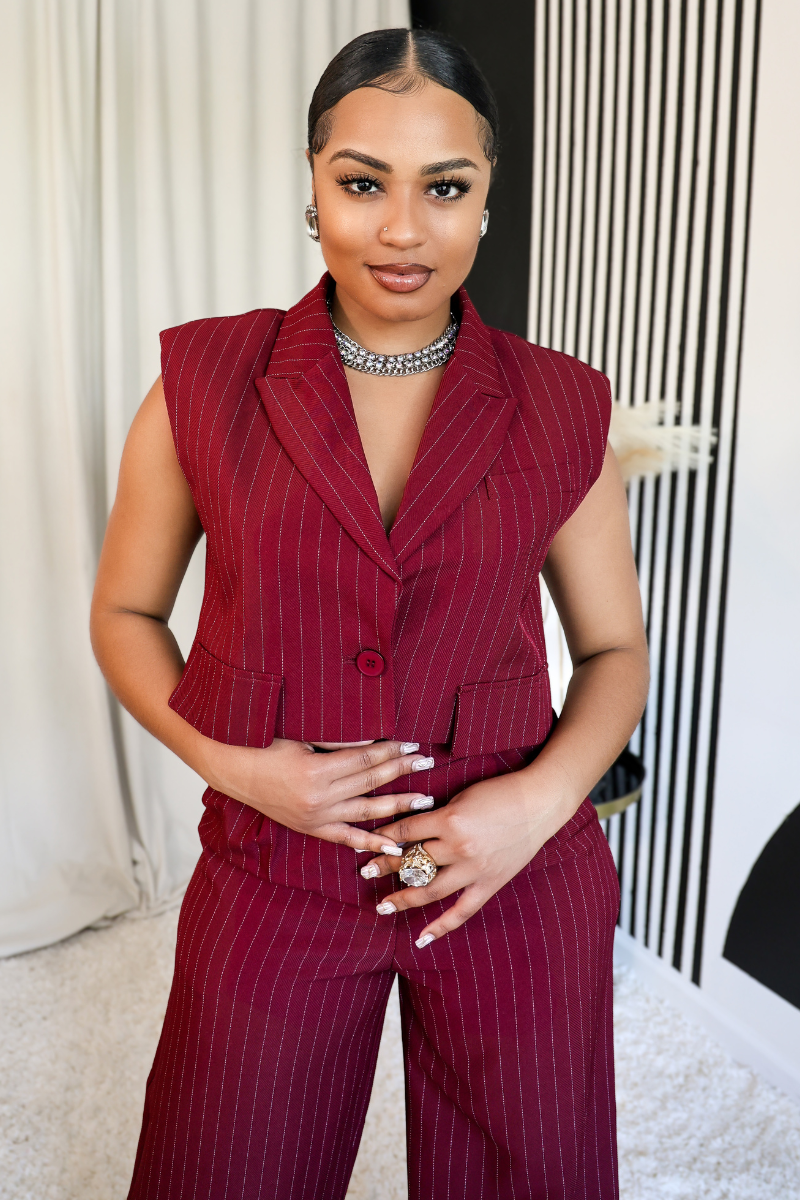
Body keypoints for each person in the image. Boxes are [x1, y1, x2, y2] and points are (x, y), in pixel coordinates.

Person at [91, 27, 648, 1200]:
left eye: (443, 187)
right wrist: (238, 771)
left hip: (512, 862)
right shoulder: (202, 381)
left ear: (487, 196)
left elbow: (611, 649)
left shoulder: (562, 404)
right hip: (274, 856)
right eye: (361, 183)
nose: (402, 229)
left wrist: (536, 806)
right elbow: (127, 614)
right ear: (312, 184)